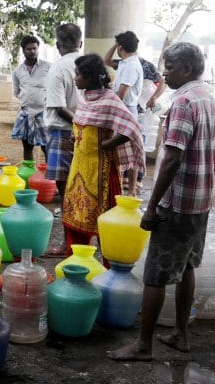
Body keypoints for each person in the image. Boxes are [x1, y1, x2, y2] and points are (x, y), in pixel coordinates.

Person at [109, 42, 215, 361]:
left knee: (155, 275)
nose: (164, 71)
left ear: (186, 68)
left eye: (169, 65)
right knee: (187, 267)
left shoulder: (183, 101)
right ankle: (181, 334)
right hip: (201, 200)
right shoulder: (207, 96)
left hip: (178, 203)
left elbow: (171, 159)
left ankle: (143, 345)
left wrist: (152, 205)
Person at [62, 55, 144, 255]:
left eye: (79, 74)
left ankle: (110, 270)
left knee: (106, 225)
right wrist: (75, 139)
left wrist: (107, 145)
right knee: (76, 218)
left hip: (102, 174)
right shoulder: (85, 99)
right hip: (79, 169)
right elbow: (84, 127)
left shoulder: (109, 100)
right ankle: (78, 264)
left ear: (91, 77)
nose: (75, 78)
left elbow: (131, 128)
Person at [103, 31, 144, 195]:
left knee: (130, 153)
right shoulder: (125, 63)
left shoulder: (131, 65)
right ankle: (118, 188)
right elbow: (106, 60)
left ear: (121, 47)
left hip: (126, 111)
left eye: (118, 46)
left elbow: (121, 95)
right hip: (122, 110)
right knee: (121, 152)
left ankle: (131, 191)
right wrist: (117, 43)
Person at [44, 23, 82, 200]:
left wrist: (80, 125)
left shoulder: (58, 68)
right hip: (86, 129)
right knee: (82, 178)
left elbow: (59, 108)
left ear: (58, 45)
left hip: (65, 131)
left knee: (65, 181)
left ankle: (70, 216)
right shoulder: (90, 64)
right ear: (80, 44)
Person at [11, 35, 51, 161]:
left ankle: (50, 176)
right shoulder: (17, 71)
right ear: (23, 50)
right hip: (25, 113)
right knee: (27, 146)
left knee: (47, 146)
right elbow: (17, 92)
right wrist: (28, 98)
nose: (32, 51)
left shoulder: (48, 67)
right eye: (29, 49)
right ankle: (29, 174)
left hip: (44, 113)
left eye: (35, 48)